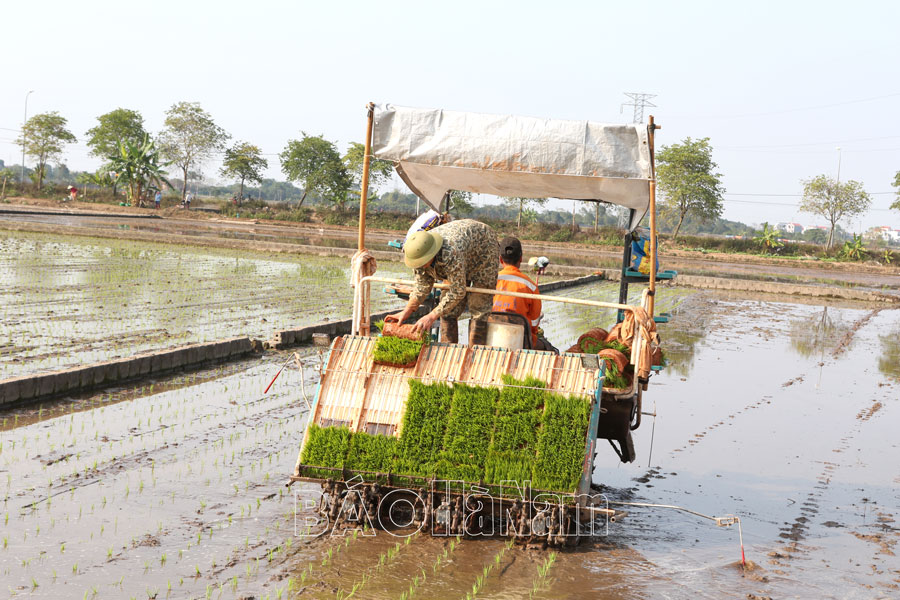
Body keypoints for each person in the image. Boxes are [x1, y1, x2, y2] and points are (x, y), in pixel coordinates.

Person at [390, 219, 498, 345]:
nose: (421, 265)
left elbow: (458, 291)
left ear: (431, 254)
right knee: (448, 309)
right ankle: (448, 350)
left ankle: (474, 355)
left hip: (483, 247)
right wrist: (407, 311)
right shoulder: (417, 254)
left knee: (479, 304)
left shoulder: (450, 253)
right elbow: (422, 285)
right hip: (463, 250)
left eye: (423, 262)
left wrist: (431, 316)